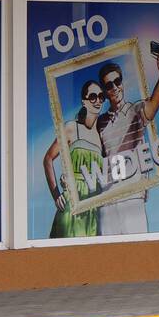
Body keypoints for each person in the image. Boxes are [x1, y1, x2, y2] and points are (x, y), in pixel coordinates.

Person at [95, 45, 159, 235]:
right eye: (109, 85)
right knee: (107, 258)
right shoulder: (100, 122)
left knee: (137, 255)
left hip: (132, 195)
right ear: (105, 91)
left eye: (117, 81)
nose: (114, 87)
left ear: (122, 83)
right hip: (107, 198)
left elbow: (154, 105)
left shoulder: (136, 110)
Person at [42, 80, 104, 238]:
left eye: (101, 96)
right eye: (93, 96)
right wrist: (56, 195)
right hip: (73, 202)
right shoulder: (71, 128)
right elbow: (48, 158)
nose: (97, 100)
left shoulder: (101, 136)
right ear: (84, 101)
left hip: (93, 209)